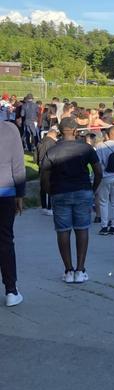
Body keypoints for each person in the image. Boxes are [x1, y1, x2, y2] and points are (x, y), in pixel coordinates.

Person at [40, 117, 103, 284]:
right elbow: (98, 172)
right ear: (76, 131)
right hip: (82, 190)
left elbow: (44, 175)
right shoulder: (86, 148)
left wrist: (50, 192)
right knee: (82, 229)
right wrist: (92, 189)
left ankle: (68, 270)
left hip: (60, 192)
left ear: (60, 132)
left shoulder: (52, 150)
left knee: (63, 231)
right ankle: (80, 270)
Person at [0, 119, 26, 306]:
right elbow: (18, 166)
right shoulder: (9, 129)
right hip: (5, 191)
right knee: (5, 240)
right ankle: (11, 289)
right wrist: (20, 194)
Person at [95, 126, 114, 236]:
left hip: (105, 176)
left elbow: (98, 163)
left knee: (103, 202)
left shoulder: (100, 146)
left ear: (107, 134)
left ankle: (104, 226)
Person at [36, 128, 58, 216]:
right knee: (50, 187)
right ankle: (50, 208)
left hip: (41, 167)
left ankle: (43, 207)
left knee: (43, 187)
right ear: (53, 135)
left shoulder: (39, 142)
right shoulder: (53, 143)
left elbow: (35, 156)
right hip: (50, 167)